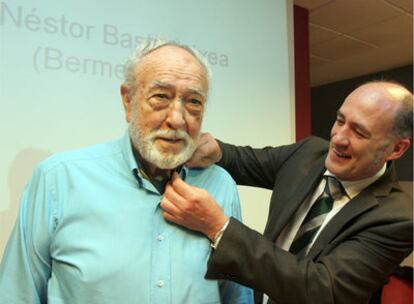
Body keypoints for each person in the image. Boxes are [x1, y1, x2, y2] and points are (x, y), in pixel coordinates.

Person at [0, 40, 253, 304]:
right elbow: (17, 295)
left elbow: (237, 297)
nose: (177, 119)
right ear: (127, 100)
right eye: (161, 97)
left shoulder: (220, 185)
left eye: (193, 102)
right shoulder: (59, 180)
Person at [160, 81, 414, 304]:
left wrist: (218, 227)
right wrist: (217, 150)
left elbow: (322, 290)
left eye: (359, 132)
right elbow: (249, 161)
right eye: (340, 120)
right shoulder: (309, 153)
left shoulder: (397, 218)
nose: (338, 138)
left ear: (396, 149)